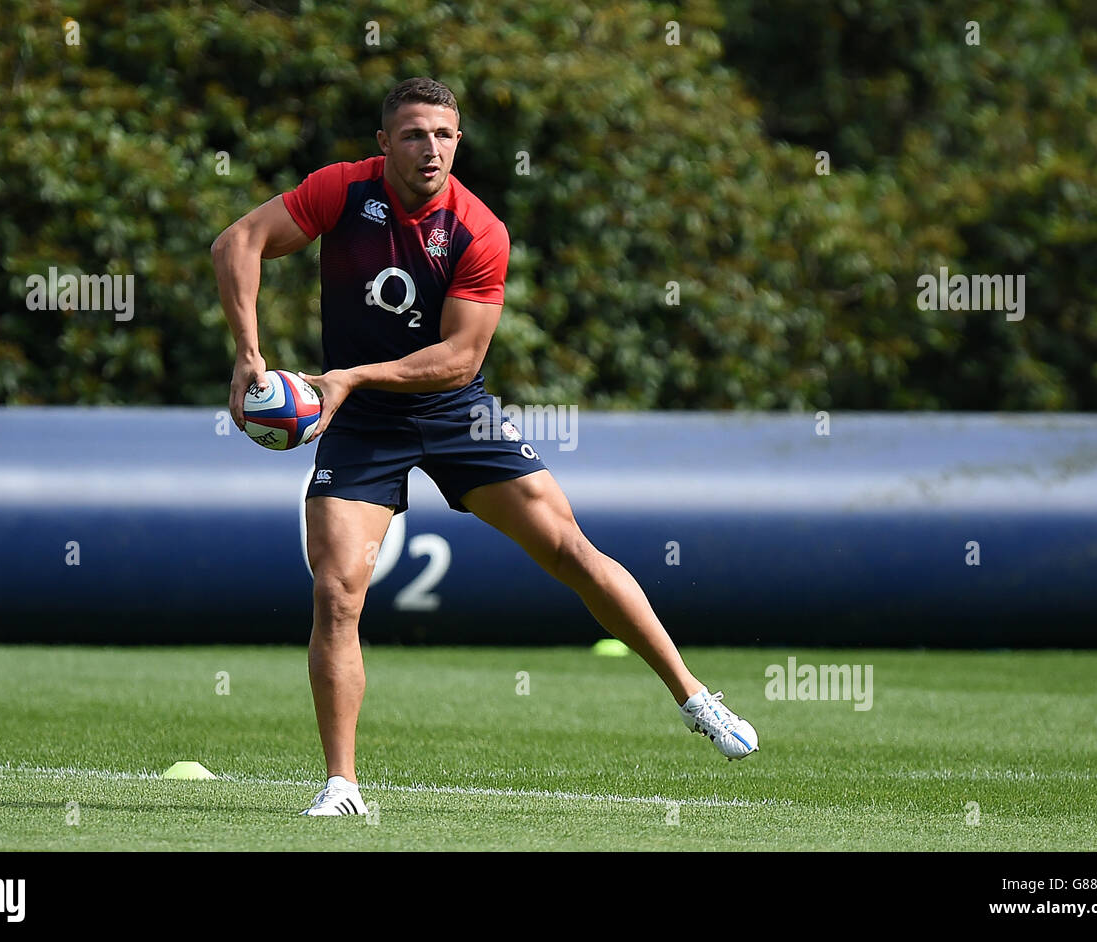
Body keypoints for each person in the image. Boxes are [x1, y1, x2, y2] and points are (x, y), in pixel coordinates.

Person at [211, 77, 757, 816]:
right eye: (412, 134)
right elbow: (236, 242)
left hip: (451, 410)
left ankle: (693, 696)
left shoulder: (478, 229)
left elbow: (460, 359)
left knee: (570, 549)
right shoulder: (341, 192)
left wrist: (347, 375)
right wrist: (249, 354)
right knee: (337, 593)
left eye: (442, 134)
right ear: (384, 144)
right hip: (363, 423)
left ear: (458, 142)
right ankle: (342, 787)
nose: (429, 148)